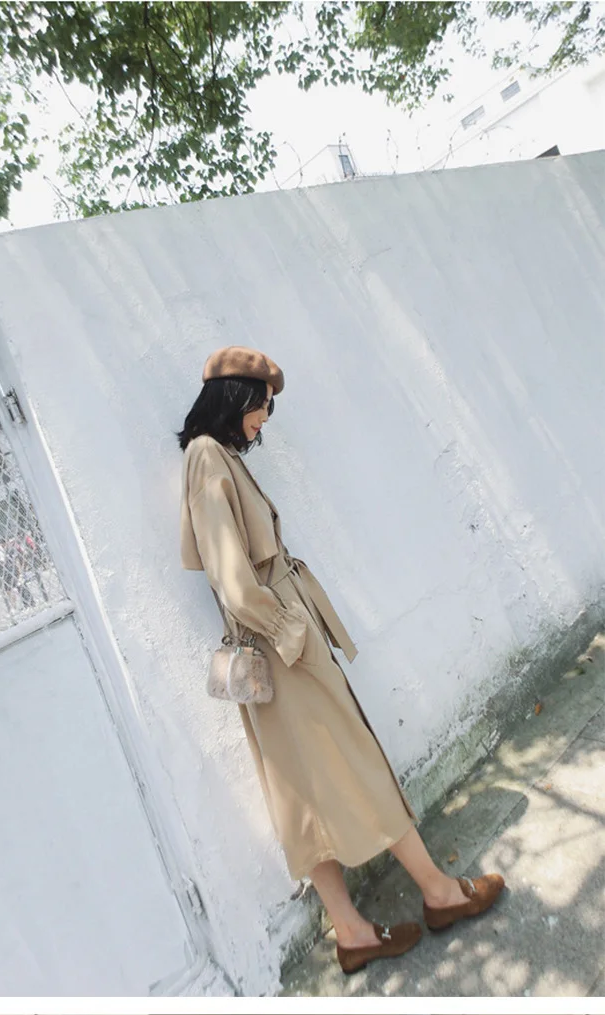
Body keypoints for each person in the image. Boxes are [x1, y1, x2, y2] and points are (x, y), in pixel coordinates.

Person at [177, 346, 505, 975]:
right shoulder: (206, 456)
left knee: (302, 788)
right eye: (261, 405)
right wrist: (292, 632)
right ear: (235, 397)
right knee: (352, 762)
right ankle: (439, 893)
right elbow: (230, 576)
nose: (265, 419)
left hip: (278, 644)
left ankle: (353, 932)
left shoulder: (215, 457)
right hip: (281, 646)